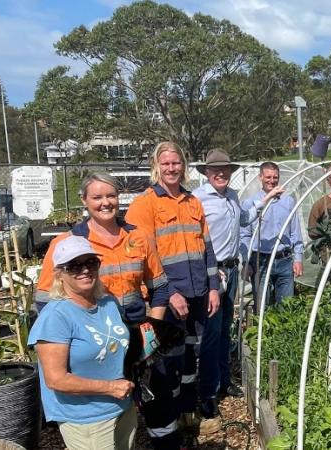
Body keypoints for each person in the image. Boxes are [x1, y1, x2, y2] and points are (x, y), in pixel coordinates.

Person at [124, 141, 220, 449]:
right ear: (156, 166)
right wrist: (170, 292)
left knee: (192, 354)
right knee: (168, 360)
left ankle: (188, 414)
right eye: (165, 163)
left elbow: (207, 249)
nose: (171, 168)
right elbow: (144, 257)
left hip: (198, 294)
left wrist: (214, 287)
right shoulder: (145, 203)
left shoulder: (193, 202)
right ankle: (169, 420)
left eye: (176, 163)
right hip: (168, 298)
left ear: (184, 165)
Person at [30, 236, 136, 450]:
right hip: (87, 419)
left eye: (91, 262)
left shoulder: (108, 303)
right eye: (74, 266)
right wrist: (110, 387)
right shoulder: (56, 317)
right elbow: (56, 380)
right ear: (59, 273)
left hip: (123, 406)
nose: (85, 270)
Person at [35, 173, 170, 324]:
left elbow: (159, 288)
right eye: (97, 197)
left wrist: (153, 328)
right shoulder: (66, 243)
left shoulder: (138, 237)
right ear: (84, 200)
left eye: (111, 196)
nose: (106, 202)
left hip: (135, 329)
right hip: (94, 334)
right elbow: (44, 300)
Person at [191, 149, 249, 417]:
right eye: (216, 170)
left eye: (226, 169)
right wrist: (210, 274)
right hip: (214, 274)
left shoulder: (234, 196)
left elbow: (244, 220)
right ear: (207, 173)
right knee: (211, 334)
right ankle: (208, 393)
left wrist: (266, 201)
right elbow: (195, 241)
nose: (221, 173)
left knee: (226, 328)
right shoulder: (198, 200)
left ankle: (225, 381)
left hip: (231, 269)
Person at [241, 161, 304, 309]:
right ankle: (261, 332)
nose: (272, 180)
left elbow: (295, 232)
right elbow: (244, 236)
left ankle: (285, 332)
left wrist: (298, 258)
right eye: (268, 177)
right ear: (260, 177)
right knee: (262, 307)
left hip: (284, 260)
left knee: (287, 307)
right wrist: (245, 262)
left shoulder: (288, 201)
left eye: (275, 177)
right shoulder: (251, 203)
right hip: (260, 260)